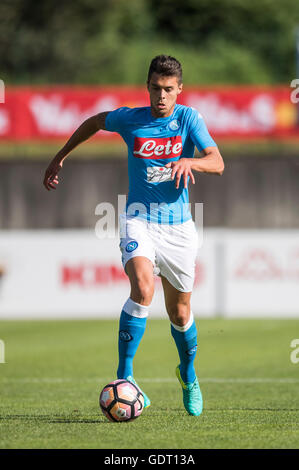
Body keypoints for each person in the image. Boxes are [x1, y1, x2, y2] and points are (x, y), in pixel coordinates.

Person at [43, 55, 224, 416]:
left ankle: (187, 374)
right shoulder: (131, 119)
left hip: (179, 228)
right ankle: (125, 377)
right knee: (142, 288)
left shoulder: (188, 118)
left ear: (179, 90)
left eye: (169, 90)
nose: (162, 96)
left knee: (180, 311)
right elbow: (94, 121)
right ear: (148, 86)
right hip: (138, 219)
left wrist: (192, 162)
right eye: (156, 88)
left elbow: (217, 162)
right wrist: (60, 156)